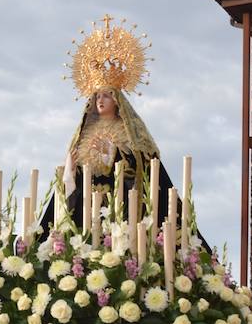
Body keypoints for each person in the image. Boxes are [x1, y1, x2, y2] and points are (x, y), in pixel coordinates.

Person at [46, 87, 175, 232]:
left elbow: (140, 165)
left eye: (106, 96)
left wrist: (113, 153)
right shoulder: (84, 133)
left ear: (116, 100)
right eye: (98, 96)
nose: (100, 100)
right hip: (86, 208)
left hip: (118, 204)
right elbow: (76, 177)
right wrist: (70, 172)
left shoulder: (129, 132)